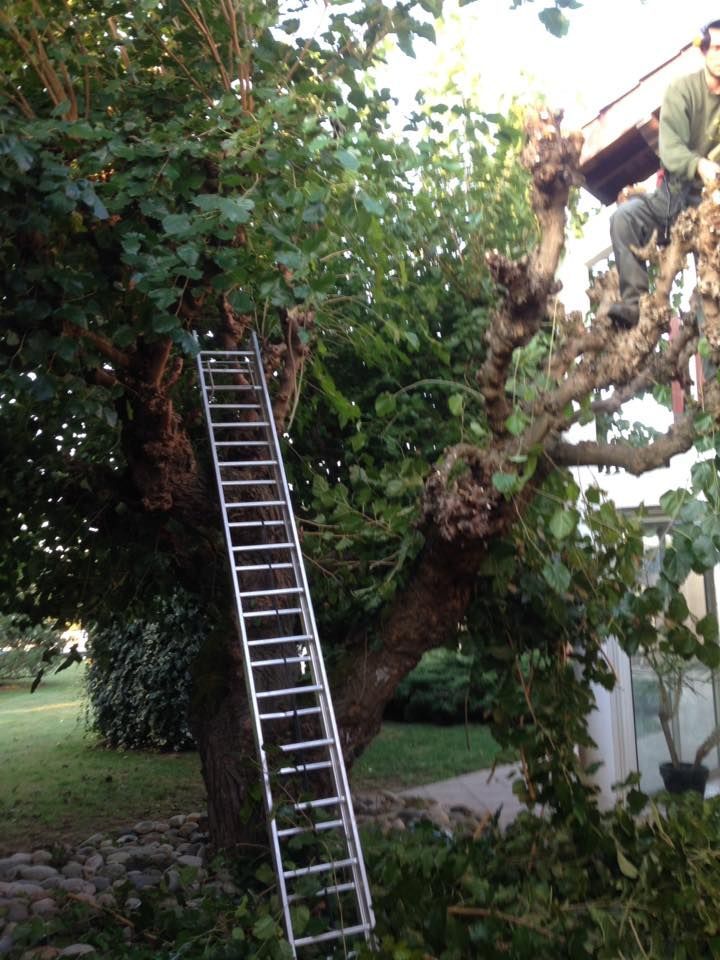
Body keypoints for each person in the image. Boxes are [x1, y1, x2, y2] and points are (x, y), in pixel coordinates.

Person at [608, 20, 720, 328]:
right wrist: (699, 165)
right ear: (705, 50)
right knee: (624, 219)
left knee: (712, 291)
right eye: (718, 48)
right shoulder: (682, 91)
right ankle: (634, 303)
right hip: (674, 195)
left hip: (714, 207)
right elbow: (670, 150)